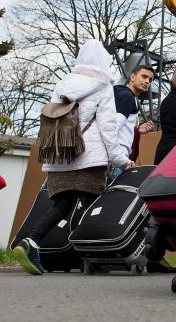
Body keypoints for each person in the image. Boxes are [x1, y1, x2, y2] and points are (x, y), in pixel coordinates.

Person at [12, 40, 132, 275]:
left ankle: (31, 242)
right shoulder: (104, 86)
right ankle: (91, 255)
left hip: (61, 155)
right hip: (89, 157)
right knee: (92, 206)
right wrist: (120, 158)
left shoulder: (62, 84)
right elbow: (108, 128)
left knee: (61, 205)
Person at [113, 65, 155, 168]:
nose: (147, 82)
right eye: (144, 76)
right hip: (117, 157)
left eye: (150, 80)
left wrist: (136, 129)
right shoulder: (126, 96)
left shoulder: (129, 97)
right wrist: (119, 158)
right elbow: (113, 128)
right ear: (132, 77)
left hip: (117, 155)